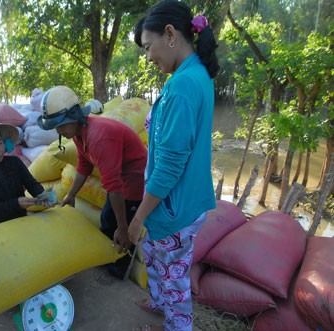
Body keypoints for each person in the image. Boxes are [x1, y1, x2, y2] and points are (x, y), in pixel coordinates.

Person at [127, 1, 219, 330]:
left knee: (174, 280)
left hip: (174, 207)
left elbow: (169, 167)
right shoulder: (196, 73)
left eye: (148, 47)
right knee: (155, 256)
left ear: (170, 34)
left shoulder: (182, 86)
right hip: (179, 201)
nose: (148, 57)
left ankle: (176, 323)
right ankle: (157, 301)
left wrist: (138, 217)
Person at [37, 85, 147, 280]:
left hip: (135, 181)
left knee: (125, 229)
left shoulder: (98, 138)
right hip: (121, 180)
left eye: (61, 125)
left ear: (75, 116)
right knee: (107, 220)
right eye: (56, 127)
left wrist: (122, 227)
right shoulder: (80, 133)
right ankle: (106, 257)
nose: (59, 131)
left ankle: (118, 270)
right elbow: (84, 165)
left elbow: (114, 187)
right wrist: (71, 195)